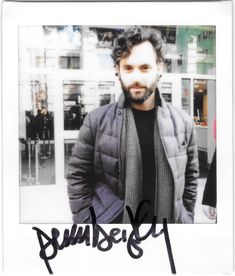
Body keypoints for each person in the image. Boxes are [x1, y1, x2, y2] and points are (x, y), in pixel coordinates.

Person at [67, 26, 199, 224]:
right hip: (115, 236)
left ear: (159, 68)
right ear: (117, 71)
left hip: (169, 233)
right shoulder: (96, 121)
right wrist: (88, 222)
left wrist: (186, 217)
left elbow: (190, 178)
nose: (136, 77)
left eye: (145, 67)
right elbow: (77, 177)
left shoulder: (183, 122)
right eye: (128, 67)